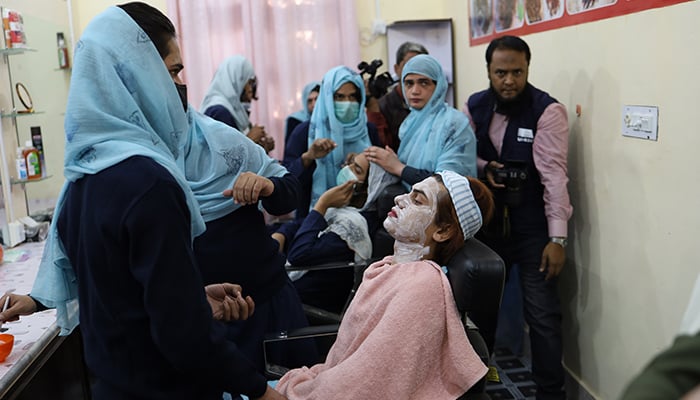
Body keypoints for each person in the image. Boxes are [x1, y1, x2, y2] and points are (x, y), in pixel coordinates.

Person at [25, 4, 287, 399]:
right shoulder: (150, 184)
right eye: (173, 72)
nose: (180, 85)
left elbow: (118, 299)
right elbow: (184, 336)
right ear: (138, 76)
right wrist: (262, 392)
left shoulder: (82, 181)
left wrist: (192, 298)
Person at [276, 171, 490, 399]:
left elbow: (369, 383)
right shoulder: (390, 266)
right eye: (409, 193)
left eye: (417, 200)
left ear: (442, 230)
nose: (400, 199)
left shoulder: (423, 287)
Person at [464, 35, 573, 400]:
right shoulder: (474, 106)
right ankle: (476, 385)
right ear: (489, 72)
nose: (508, 80)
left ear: (527, 69)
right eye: (500, 73)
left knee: (542, 317)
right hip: (487, 225)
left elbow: (555, 177)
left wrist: (557, 239)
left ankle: (550, 393)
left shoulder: (547, 111)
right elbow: (465, 157)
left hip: (532, 228)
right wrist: (485, 167)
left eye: (517, 72)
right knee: (475, 314)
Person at [273, 152, 399, 313]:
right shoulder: (346, 209)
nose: (347, 169)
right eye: (350, 163)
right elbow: (304, 224)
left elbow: (298, 255)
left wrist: (322, 204)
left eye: (357, 169)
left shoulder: (354, 227)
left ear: (370, 189)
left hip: (300, 305)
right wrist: (281, 234)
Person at [283, 65, 381, 221]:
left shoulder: (368, 130)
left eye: (353, 96)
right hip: (314, 219)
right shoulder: (305, 132)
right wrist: (309, 157)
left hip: (363, 218)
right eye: (340, 97)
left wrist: (364, 163)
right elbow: (286, 182)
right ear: (327, 98)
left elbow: (381, 179)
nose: (348, 103)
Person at [365, 54, 477, 189]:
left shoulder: (455, 124)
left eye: (424, 83)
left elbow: (447, 184)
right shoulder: (411, 122)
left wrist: (399, 167)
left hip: (445, 208)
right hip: (412, 204)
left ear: (439, 85)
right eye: (409, 83)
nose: (415, 91)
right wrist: (394, 161)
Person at [201, 55, 275, 153]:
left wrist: (261, 148)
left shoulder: (231, 109)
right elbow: (225, 159)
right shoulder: (219, 112)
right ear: (235, 79)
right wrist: (250, 139)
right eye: (249, 83)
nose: (250, 90)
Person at [366, 41, 428, 151]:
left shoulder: (434, 103)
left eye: (421, 66)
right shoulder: (383, 106)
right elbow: (382, 147)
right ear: (396, 69)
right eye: (409, 65)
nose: (415, 71)